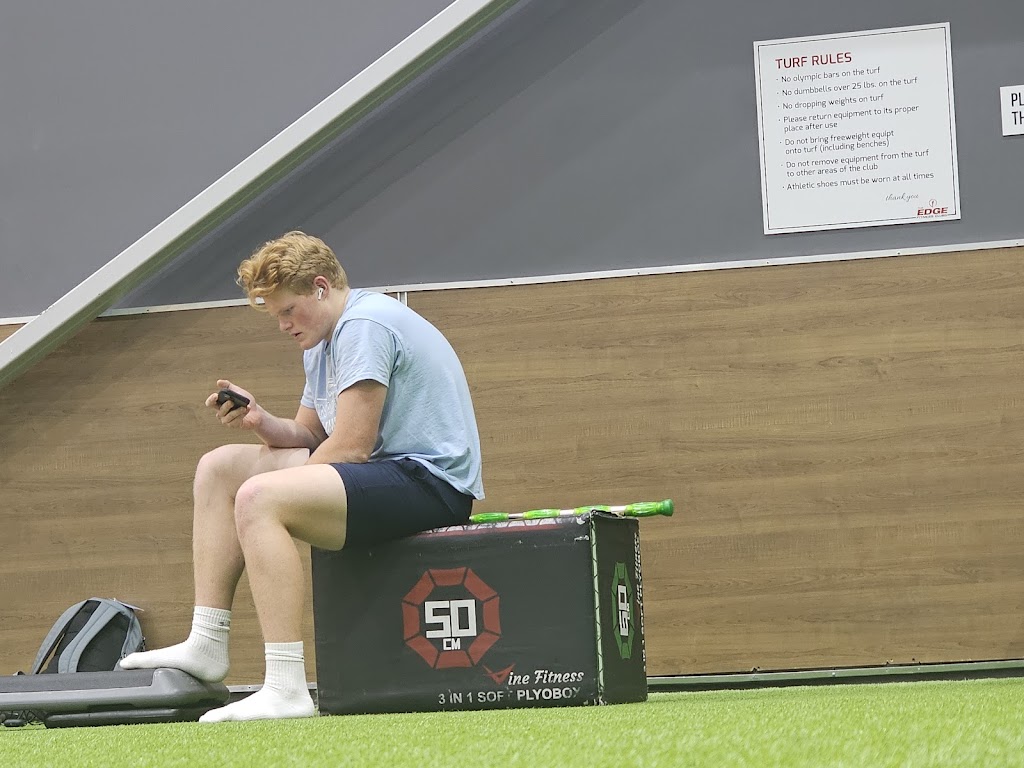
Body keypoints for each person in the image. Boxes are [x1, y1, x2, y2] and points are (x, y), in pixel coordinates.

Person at [120, 231, 484, 722]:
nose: (283, 325)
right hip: (384, 471)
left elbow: (351, 446)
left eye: (288, 311)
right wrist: (260, 421)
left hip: (431, 484)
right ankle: (207, 642)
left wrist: (279, 491)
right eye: (276, 315)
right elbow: (311, 435)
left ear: (320, 286)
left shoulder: (364, 326)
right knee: (218, 469)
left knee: (258, 498)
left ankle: (287, 688)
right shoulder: (320, 341)